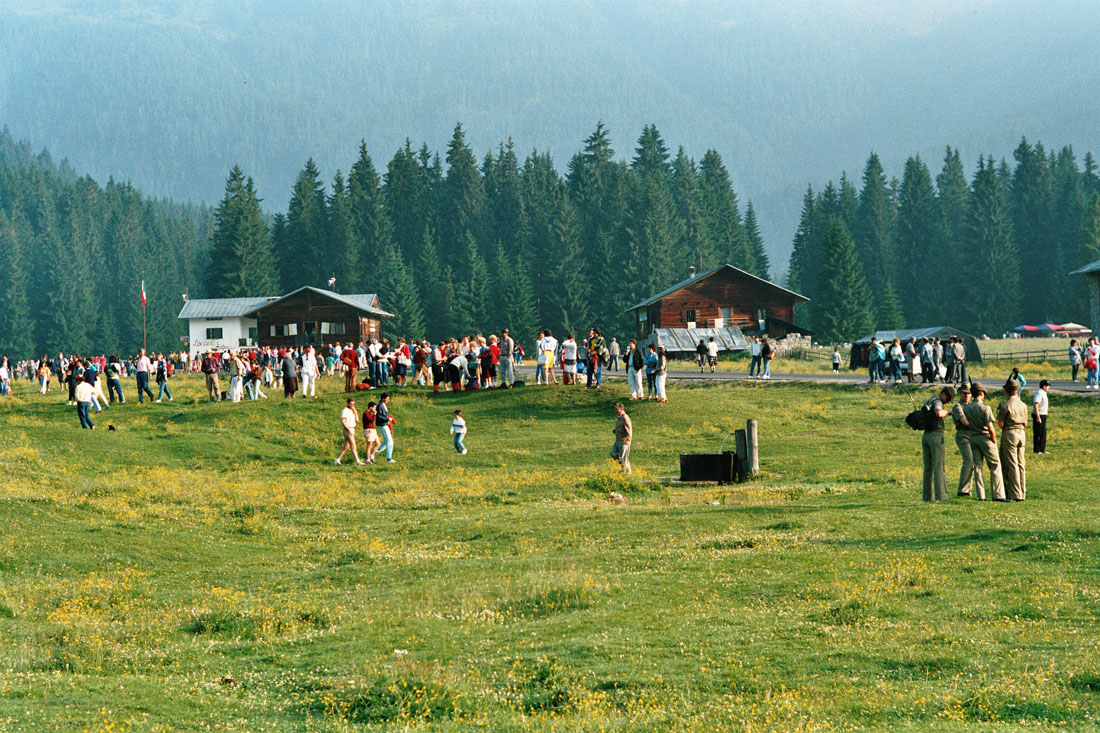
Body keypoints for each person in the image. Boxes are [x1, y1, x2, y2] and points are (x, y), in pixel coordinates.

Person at [964, 382, 1006, 501]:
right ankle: (998, 495)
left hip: (973, 437)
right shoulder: (985, 408)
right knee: (995, 465)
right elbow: (990, 427)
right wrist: (993, 439)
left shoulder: (967, 408)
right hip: (985, 437)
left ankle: (980, 495)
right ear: (981, 394)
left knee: (978, 466)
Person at [920, 385, 956, 502]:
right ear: (943, 394)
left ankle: (927, 497)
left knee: (927, 469)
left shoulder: (929, 400)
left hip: (926, 436)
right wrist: (949, 411)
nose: (947, 401)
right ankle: (941, 496)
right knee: (939, 467)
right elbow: (939, 413)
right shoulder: (938, 401)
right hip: (936, 436)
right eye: (948, 398)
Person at [997, 378, 1028, 501]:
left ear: (1007, 391)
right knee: (1021, 463)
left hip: (1010, 433)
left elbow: (1000, 424)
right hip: (1021, 433)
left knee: (1011, 463)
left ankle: (1014, 493)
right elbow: (1025, 423)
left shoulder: (1006, 405)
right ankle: (1022, 491)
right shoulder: (1023, 405)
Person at [952, 388, 984, 499]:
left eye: (969, 393)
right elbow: (964, 421)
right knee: (969, 461)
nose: (966, 396)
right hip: (963, 436)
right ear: (960, 394)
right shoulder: (958, 407)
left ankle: (968, 489)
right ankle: (963, 489)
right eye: (964, 393)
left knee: (975, 462)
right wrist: (978, 424)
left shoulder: (971, 405)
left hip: (973, 436)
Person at [334, 398, 365, 465]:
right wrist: (348, 429)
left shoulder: (352, 411)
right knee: (353, 445)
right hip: (348, 429)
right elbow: (343, 422)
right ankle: (357, 461)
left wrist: (355, 412)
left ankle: (337, 460)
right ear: (348, 403)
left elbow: (357, 420)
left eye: (353, 404)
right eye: (351, 404)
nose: (352, 405)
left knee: (346, 446)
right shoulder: (345, 411)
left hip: (352, 428)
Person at [610, 402, 632, 473]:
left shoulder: (625, 418)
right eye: (616, 410)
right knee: (612, 452)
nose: (616, 411)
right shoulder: (619, 418)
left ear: (622, 409)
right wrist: (616, 430)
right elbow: (621, 427)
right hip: (617, 440)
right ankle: (625, 466)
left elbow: (629, 429)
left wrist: (628, 439)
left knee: (624, 457)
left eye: (617, 410)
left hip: (624, 441)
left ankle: (626, 471)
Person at [376, 392, 396, 463]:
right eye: (387, 399)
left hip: (384, 424)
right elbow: (378, 416)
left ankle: (375, 452)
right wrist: (387, 419)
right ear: (383, 398)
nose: (388, 400)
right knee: (390, 441)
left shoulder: (383, 405)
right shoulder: (380, 406)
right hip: (382, 424)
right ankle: (389, 459)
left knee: (385, 441)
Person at [1032, 379, 1050, 454]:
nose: (1048, 387)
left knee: (1043, 433)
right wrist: (1038, 417)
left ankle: (1042, 448)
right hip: (1039, 415)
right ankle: (1037, 449)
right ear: (1044, 386)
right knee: (1038, 432)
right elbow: (1036, 405)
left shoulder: (1044, 393)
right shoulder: (1039, 393)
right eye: (1047, 386)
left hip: (1043, 414)